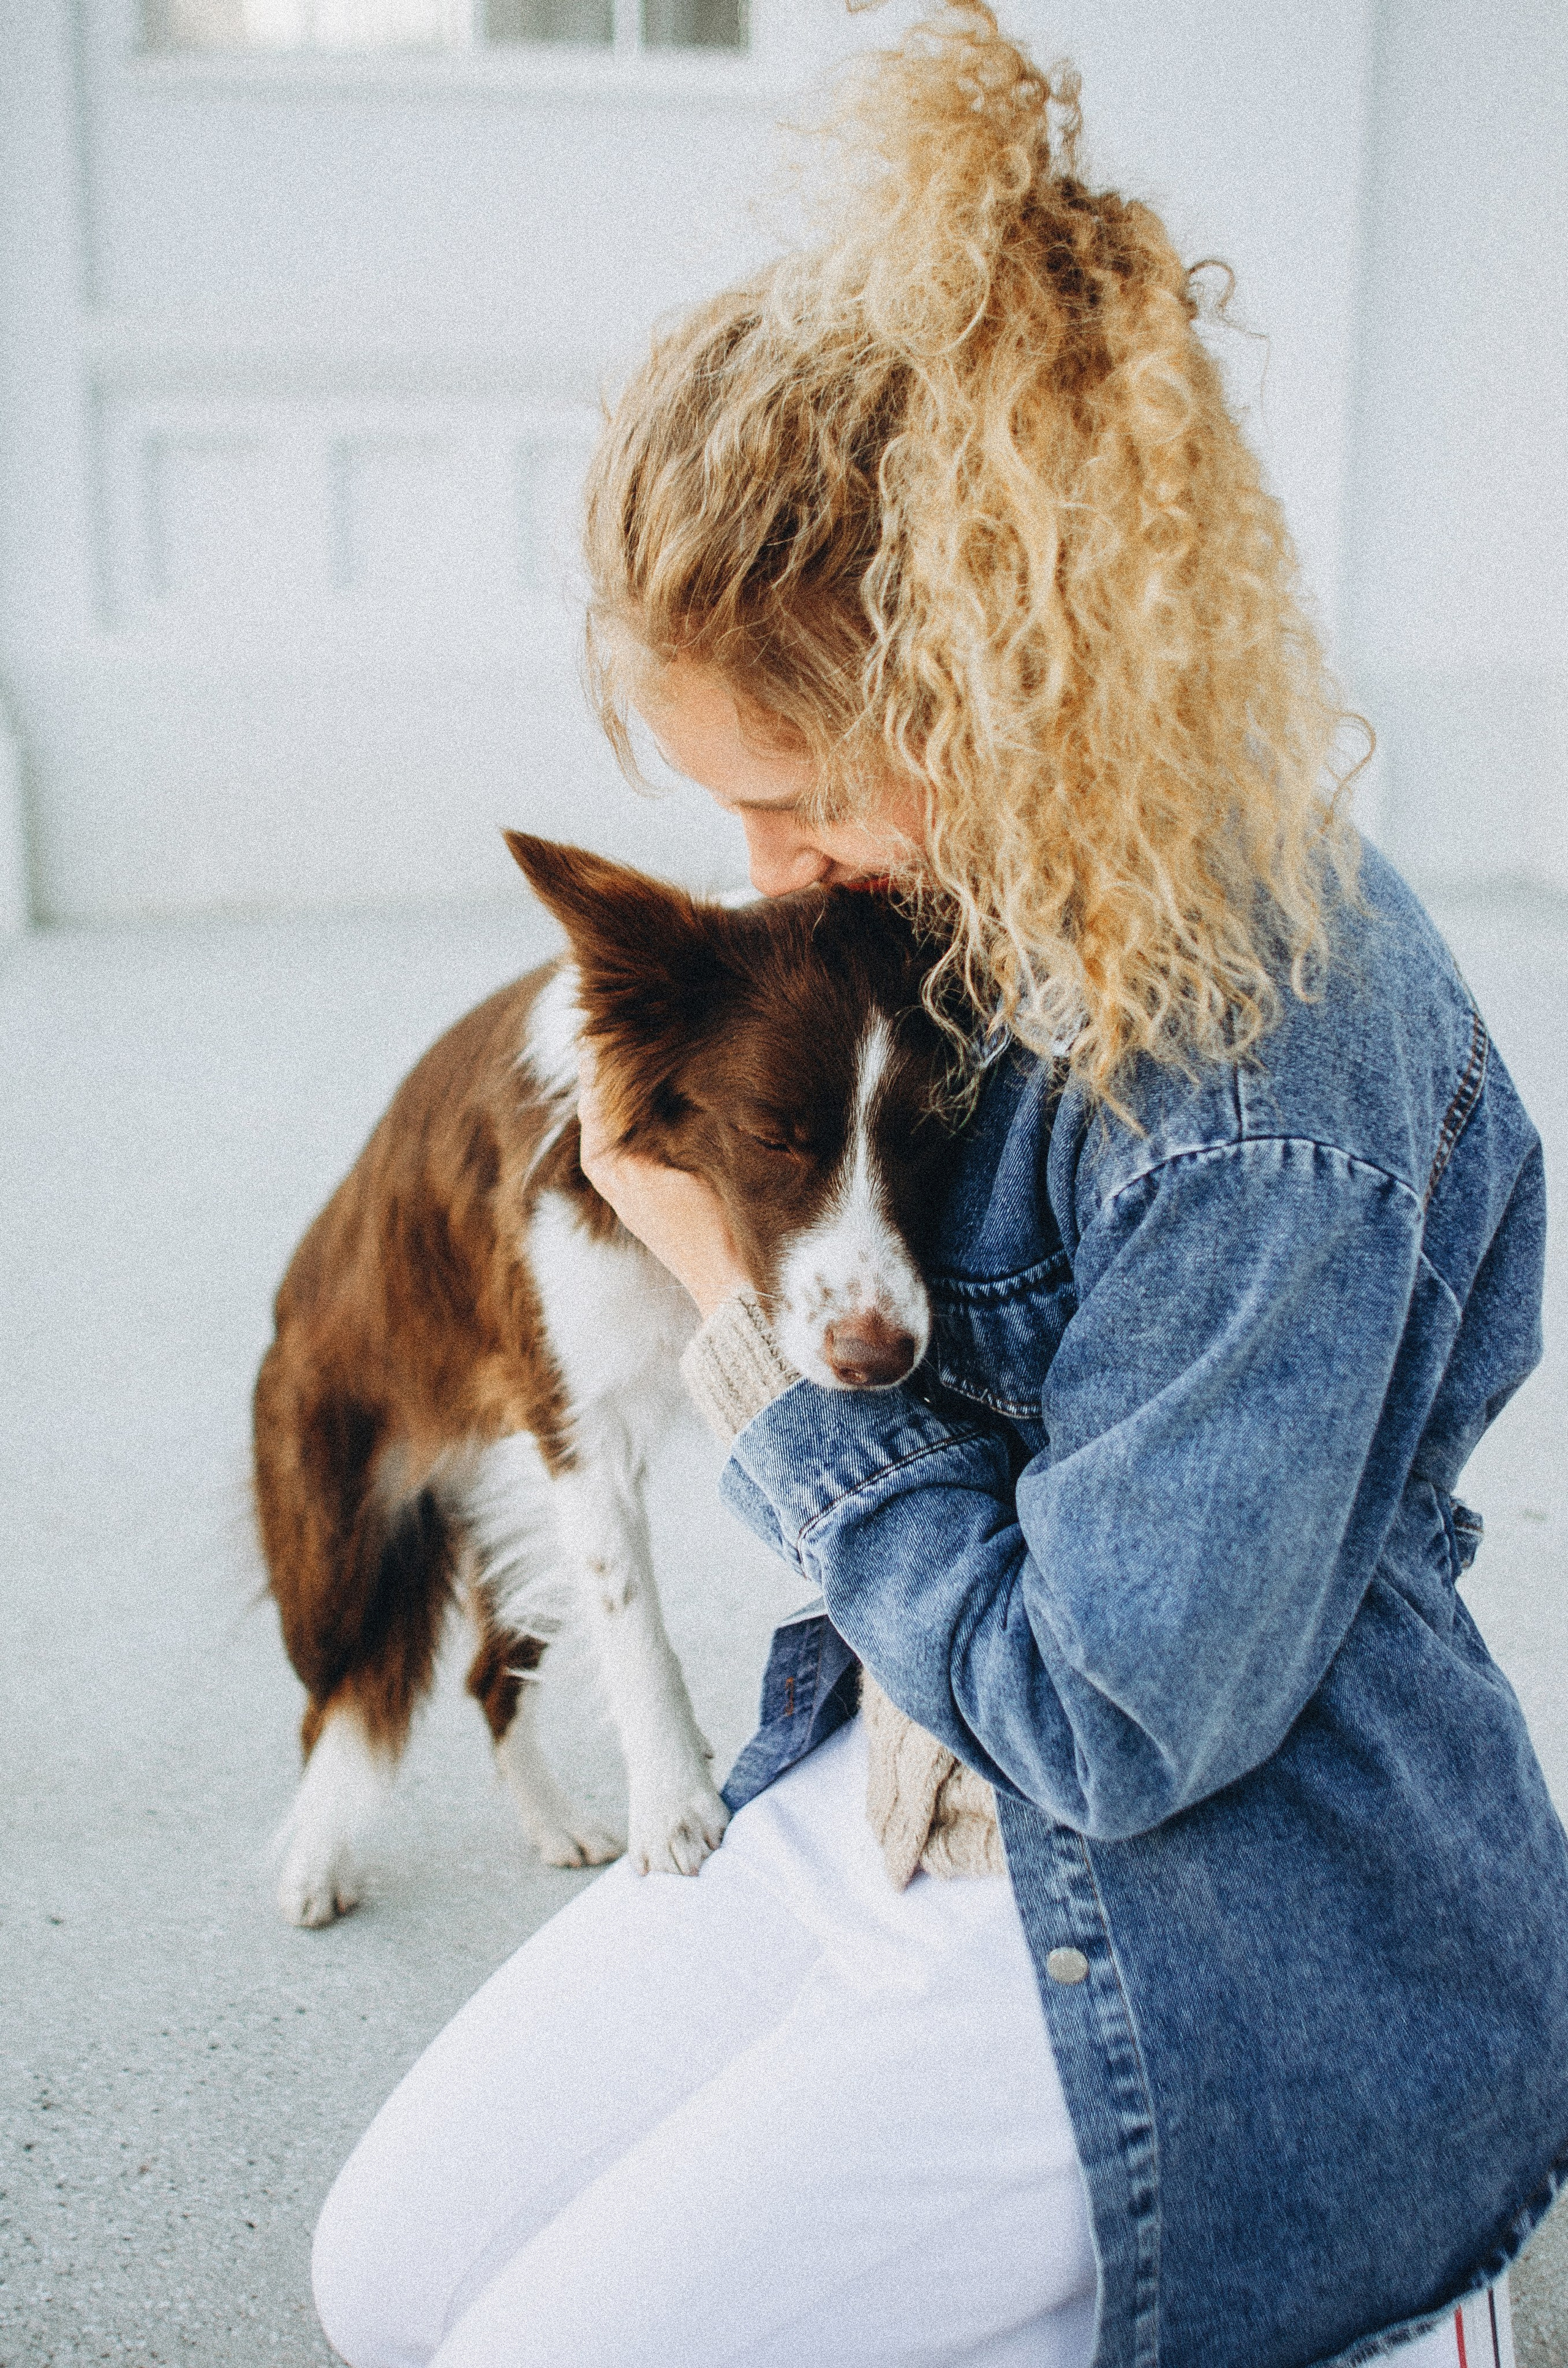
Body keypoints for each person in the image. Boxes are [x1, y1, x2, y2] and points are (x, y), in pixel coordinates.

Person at [309, 10, 1568, 2364]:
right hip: (902, 1771)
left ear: (999, 685)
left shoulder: (1271, 1078)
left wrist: (735, 1311)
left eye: (797, 803)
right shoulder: (970, 903)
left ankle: (1385, 2299)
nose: (767, 879)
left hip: (1219, 1898)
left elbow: (1104, 1720)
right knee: (382, 2280)